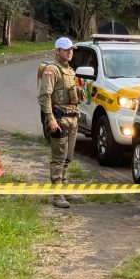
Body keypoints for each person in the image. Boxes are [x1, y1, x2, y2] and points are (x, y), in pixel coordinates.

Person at [38, 37, 85, 209]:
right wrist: (50, 119)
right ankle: (57, 194)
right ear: (57, 51)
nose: (70, 52)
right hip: (60, 119)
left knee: (68, 157)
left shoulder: (70, 71)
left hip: (72, 118)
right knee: (58, 158)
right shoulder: (52, 70)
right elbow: (44, 96)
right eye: (66, 49)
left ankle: (64, 189)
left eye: (71, 49)